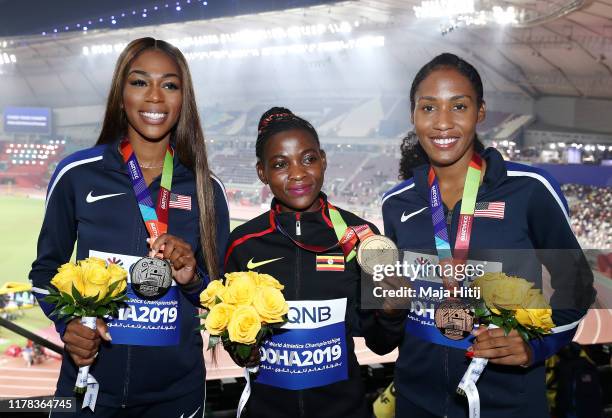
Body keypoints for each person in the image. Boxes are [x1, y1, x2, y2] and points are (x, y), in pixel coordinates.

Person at [378, 53, 595, 417]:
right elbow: (394, 307)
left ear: (480, 112)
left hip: (508, 403)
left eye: (458, 106)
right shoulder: (396, 202)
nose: (442, 123)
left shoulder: (529, 189)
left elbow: (577, 285)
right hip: (416, 401)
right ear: (413, 115)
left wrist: (537, 345)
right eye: (428, 108)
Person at [29, 37, 229, 417]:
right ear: (121, 95)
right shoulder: (77, 174)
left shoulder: (206, 188)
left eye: (169, 85)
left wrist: (191, 279)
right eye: (140, 82)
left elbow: (219, 298)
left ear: (183, 99)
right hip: (88, 388)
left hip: (176, 396)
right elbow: (44, 271)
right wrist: (67, 322)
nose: (155, 96)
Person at [224, 107, 395, 417]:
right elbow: (234, 341)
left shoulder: (362, 237)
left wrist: (393, 312)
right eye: (280, 164)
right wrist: (242, 350)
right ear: (262, 172)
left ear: (324, 160)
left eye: (308, 158)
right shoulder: (242, 243)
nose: (298, 173)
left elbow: (382, 344)